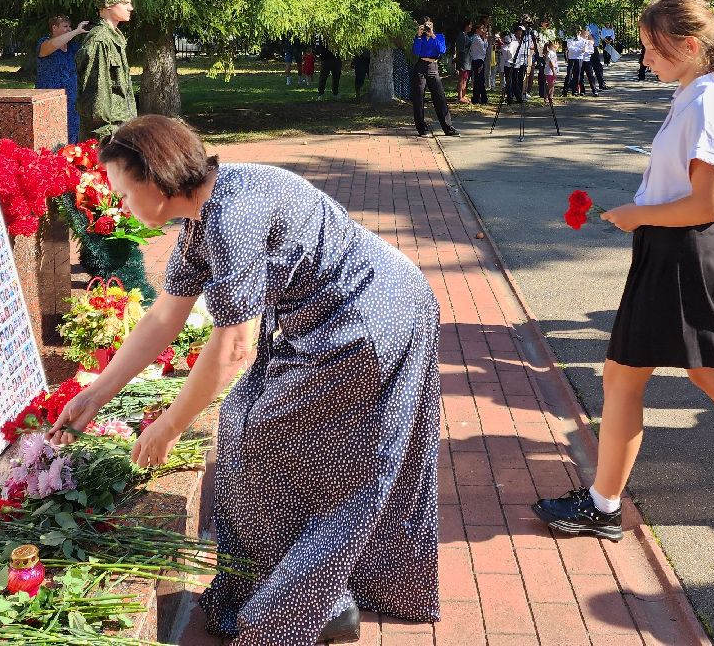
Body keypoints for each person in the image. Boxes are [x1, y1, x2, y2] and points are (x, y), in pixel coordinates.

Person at [49, 116, 441, 643]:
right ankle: (294, 587)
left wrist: (168, 427)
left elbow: (235, 346)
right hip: (328, 319)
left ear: (157, 180)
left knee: (311, 451)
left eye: (122, 192)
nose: (119, 205)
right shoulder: (198, 221)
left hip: (373, 315)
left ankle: (309, 603)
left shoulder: (232, 213)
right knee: (246, 425)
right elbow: (164, 319)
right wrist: (95, 395)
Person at [534, 0, 714, 536]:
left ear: (690, 46)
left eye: (652, 48)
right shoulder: (697, 93)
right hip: (671, 252)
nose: (644, 58)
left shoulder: (708, 102)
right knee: (667, 376)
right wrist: (639, 214)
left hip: (684, 255)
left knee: (654, 377)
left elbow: (709, 203)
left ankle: (605, 506)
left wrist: (637, 213)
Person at [75, 0, 136, 142]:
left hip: (120, 128)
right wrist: (106, 136)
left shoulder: (113, 37)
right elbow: (96, 94)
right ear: (108, 4)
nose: (131, 8)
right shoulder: (100, 40)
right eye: (125, 3)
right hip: (107, 134)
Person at [36, 15, 89, 144]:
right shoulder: (44, 43)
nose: (69, 29)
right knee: (49, 137)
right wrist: (76, 31)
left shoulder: (73, 47)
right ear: (54, 28)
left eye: (70, 26)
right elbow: (52, 45)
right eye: (65, 26)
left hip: (71, 101)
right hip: (49, 101)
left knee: (72, 138)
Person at [412, 19, 459, 137]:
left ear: (433, 26)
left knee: (439, 96)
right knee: (418, 98)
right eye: (425, 26)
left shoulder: (439, 36)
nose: (427, 27)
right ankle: (421, 128)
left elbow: (442, 50)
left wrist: (432, 35)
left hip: (433, 67)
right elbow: (416, 51)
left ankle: (448, 127)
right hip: (421, 66)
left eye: (429, 25)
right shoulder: (419, 38)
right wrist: (418, 35)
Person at [467, 21, 489, 104]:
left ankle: (478, 97)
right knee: (479, 80)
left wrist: (485, 39)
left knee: (479, 79)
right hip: (478, 60)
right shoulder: (476, 39)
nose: (483, 30)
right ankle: (480, 98)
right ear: (477, 30)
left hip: (479, 59)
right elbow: (483, 50)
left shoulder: (479, 38)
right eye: (482, 29)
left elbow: (485, 47)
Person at [454, 22, 474, 102]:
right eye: (470, 25)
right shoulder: (461, 36)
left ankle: (463, 95)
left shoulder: (466, 35)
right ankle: (459, 97)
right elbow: (460, 49)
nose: (471, 27)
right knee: (461, 78)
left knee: (465, 78)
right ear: (466, 26)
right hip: (463, 60)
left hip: (467, 60)